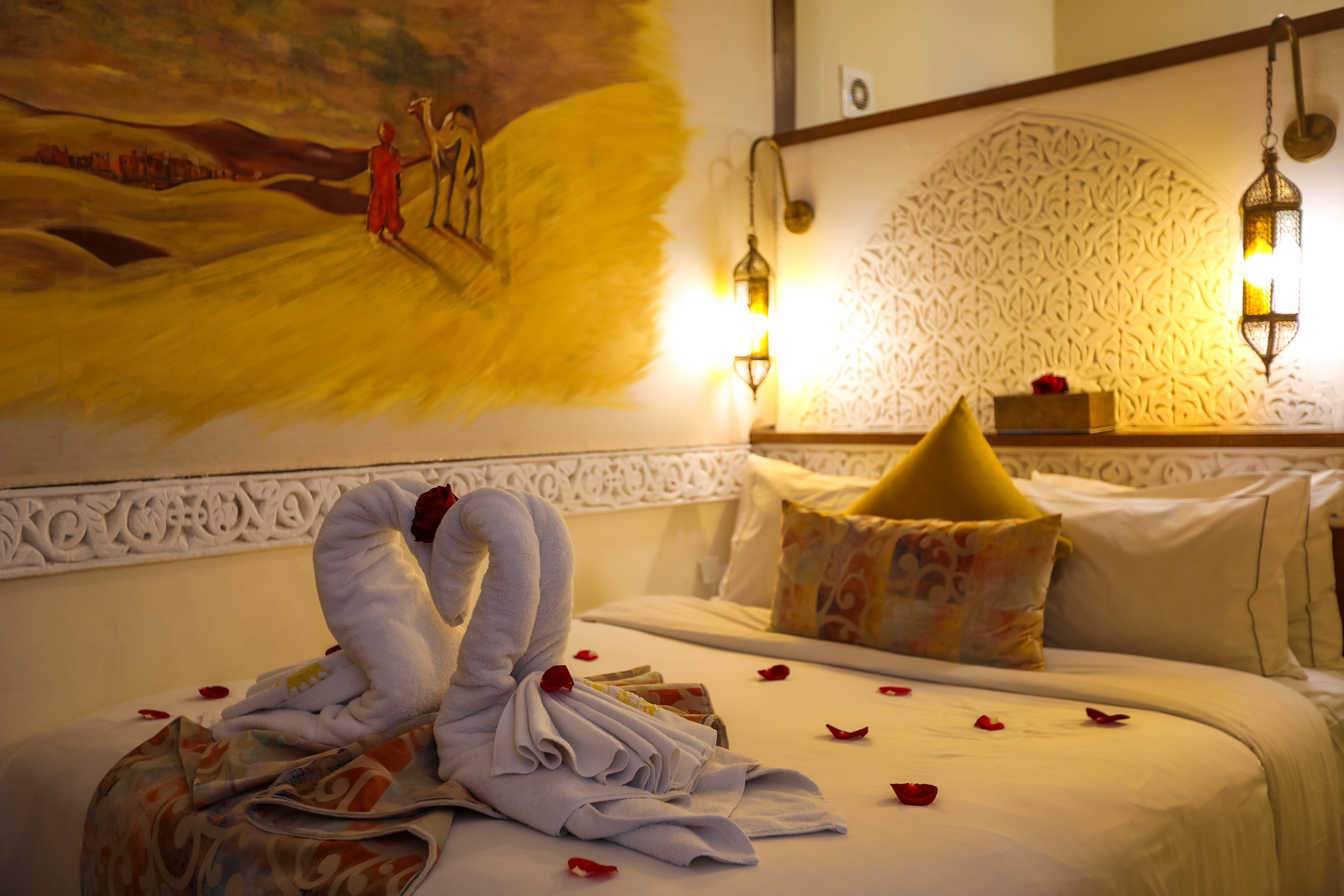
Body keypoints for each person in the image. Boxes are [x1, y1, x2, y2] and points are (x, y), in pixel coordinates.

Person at [366, 120, 404, 242]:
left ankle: (382, 231)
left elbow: (372, 173)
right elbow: (397, 173)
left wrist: (372, 187)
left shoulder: (375, 152)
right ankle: (389, 231)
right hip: (388, 186)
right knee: (389, 208)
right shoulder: (393, 152)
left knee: (382, 208)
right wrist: (398, 186)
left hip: (382, 186)